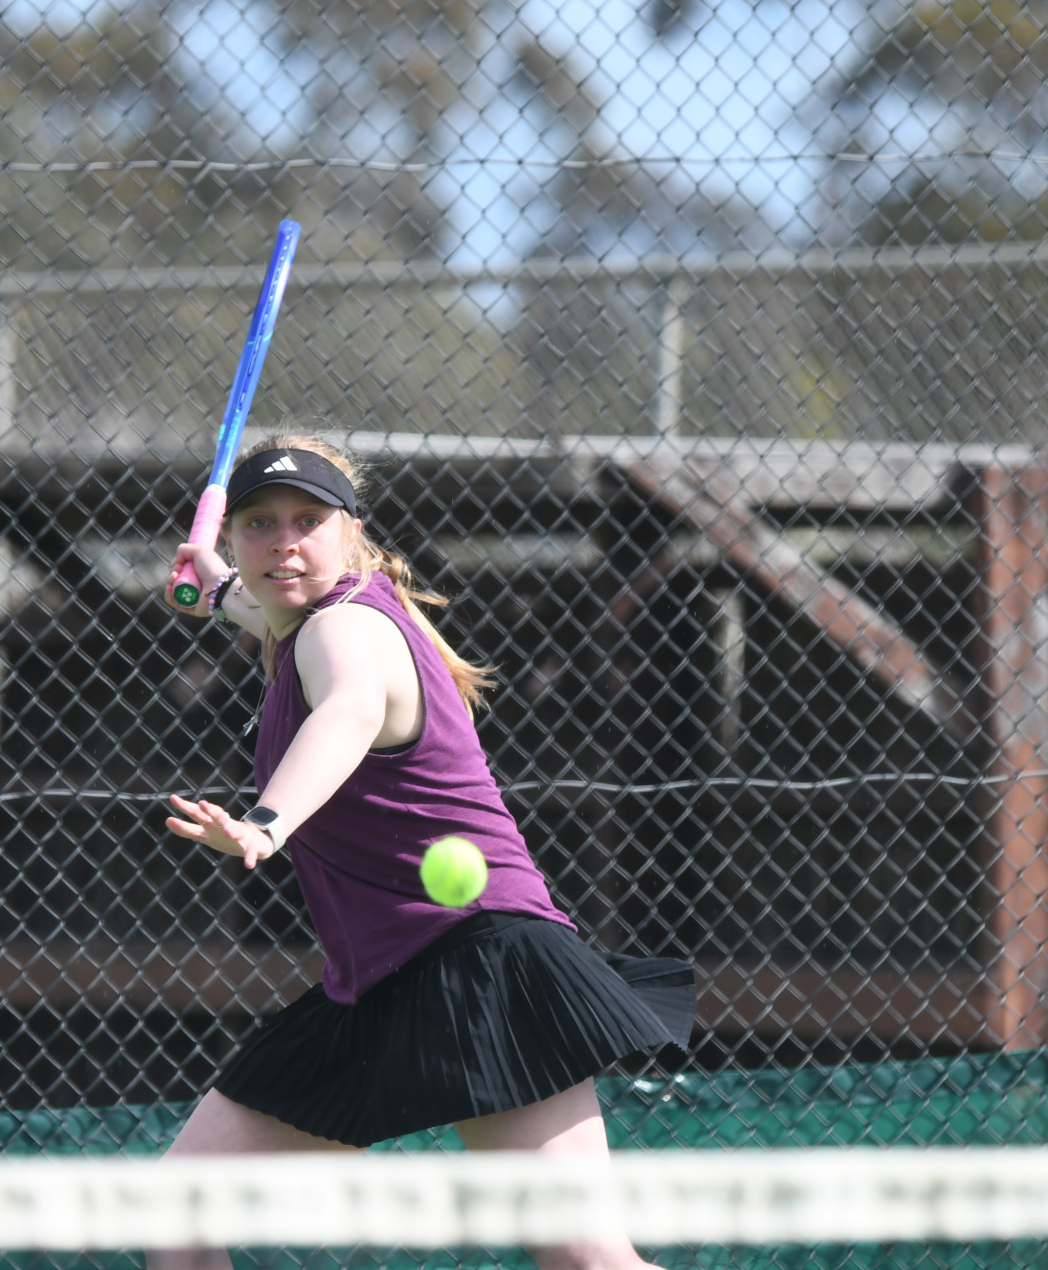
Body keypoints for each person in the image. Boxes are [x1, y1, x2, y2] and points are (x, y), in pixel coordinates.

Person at [157, 433, 694, 1270]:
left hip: (486, 965)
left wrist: (267, 822)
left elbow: (350, 711)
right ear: (236, 538)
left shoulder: (343, 633)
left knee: (590, 1261)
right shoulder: (320, 615)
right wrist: (220, 590)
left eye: (308, 520)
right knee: (179, 1209)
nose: (285, 541)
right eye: (259, 524)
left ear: (352, 536)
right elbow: (271, 609)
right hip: (392, 977)